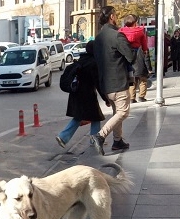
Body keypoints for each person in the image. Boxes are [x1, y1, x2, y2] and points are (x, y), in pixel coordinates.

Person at [91, 6, 135, 156]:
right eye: (115, 15)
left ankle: (118, 141)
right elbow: (130, 56)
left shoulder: (97, 38)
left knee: (117, 112)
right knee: (123, 112)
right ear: (111, 17)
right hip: (118, 82)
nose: (116, 18)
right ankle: (100, 135)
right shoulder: (117, 36)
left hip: (105, 85)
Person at [55, 41, 109, 149]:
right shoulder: (94, 63)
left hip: (77, 94)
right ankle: (65, 137)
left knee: (87, 117)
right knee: (91, 117)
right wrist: (106, 98)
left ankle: (66, 137)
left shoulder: (82, 60)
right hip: (87, 96)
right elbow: (98, 83)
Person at [119, 14, 148, 83]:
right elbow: (144, 44)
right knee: (142, 75)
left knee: (130, 76)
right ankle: (142, 93)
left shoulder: (121, 32)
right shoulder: (140, 32)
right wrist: (145, 50)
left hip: (126, 54)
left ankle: (132, 91)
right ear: (135, 23)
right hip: (138, 53)